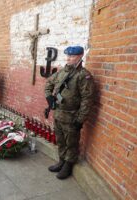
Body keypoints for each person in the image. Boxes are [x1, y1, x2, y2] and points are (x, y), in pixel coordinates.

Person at [44, 46, 94, 179]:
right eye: (67, 56)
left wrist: (80, 119)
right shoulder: (62, 72)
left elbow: (87, 99)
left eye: (71, 56)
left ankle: (68, 164)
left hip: (72, 116)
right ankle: (61, 160)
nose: (68, 58)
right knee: (60, 140)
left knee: (71, 142)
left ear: (79, 57)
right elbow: (48, 83)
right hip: (59, 114)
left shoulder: (84, 75)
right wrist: (49, 97)